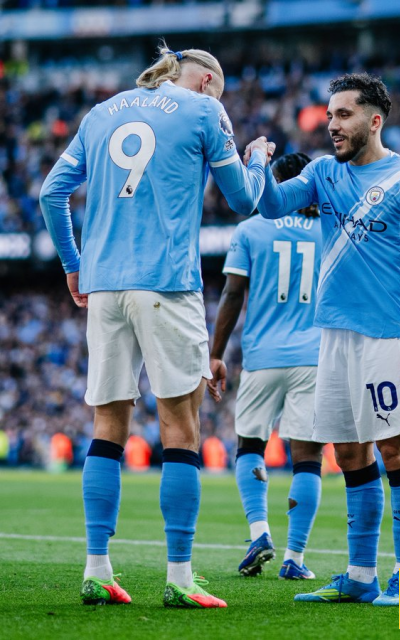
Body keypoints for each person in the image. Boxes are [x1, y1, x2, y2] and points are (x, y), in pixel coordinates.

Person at [39, 43, 274, 609]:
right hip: (166, 284)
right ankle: (180, 577)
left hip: (105, 287)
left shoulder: (102, 112)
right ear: (207, 81)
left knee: (107, 425)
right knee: (180, 427)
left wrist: (74, 265)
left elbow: (51, 192)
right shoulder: (204, 109)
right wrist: (258, 158)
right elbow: (244, 200)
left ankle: (97, 570)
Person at [244, 72, 400, 606]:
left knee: (395, 449)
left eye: (343, 115)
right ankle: (360, 577)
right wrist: (258, 164)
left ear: (374, 120)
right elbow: (271, 207)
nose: (331, 124)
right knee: (350, 454)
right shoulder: (321, 172)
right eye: (329, 115)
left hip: (389, 334)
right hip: (334, 336)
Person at [208, 152, 323, 580]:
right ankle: (295, 557)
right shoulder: (328, 229)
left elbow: (232, 294)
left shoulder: (251, 229)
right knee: (308, 458)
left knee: (250, 446)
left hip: (263, 357)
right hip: (314, 357)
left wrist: (217, 353)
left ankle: (259, 533)